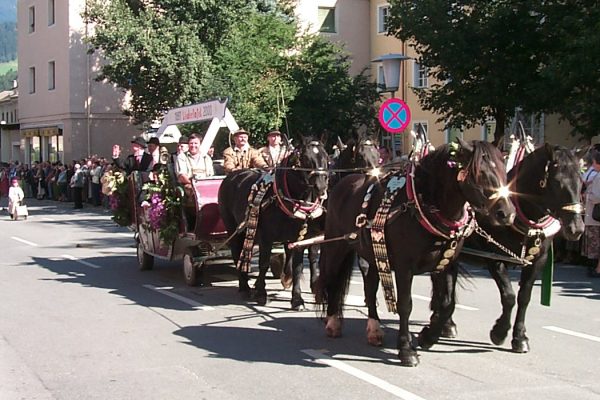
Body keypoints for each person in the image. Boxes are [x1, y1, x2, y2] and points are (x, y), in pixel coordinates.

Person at [176, 134, 214, 199]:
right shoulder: (182, 157)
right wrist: (195, 184)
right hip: (189, 186)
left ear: (200, 144)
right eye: (191, 143)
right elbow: (182, 176)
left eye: (196, 143)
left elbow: (211, 175)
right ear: (188, 145)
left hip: (205, 184)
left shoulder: (206, 158)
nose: (193, 145)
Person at [583, 150, 600, 277]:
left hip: (595, 214)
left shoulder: (598, 177)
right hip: (593, 213)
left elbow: (597, 197)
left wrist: (586, 195)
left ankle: (595, 267)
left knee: (595, 241)